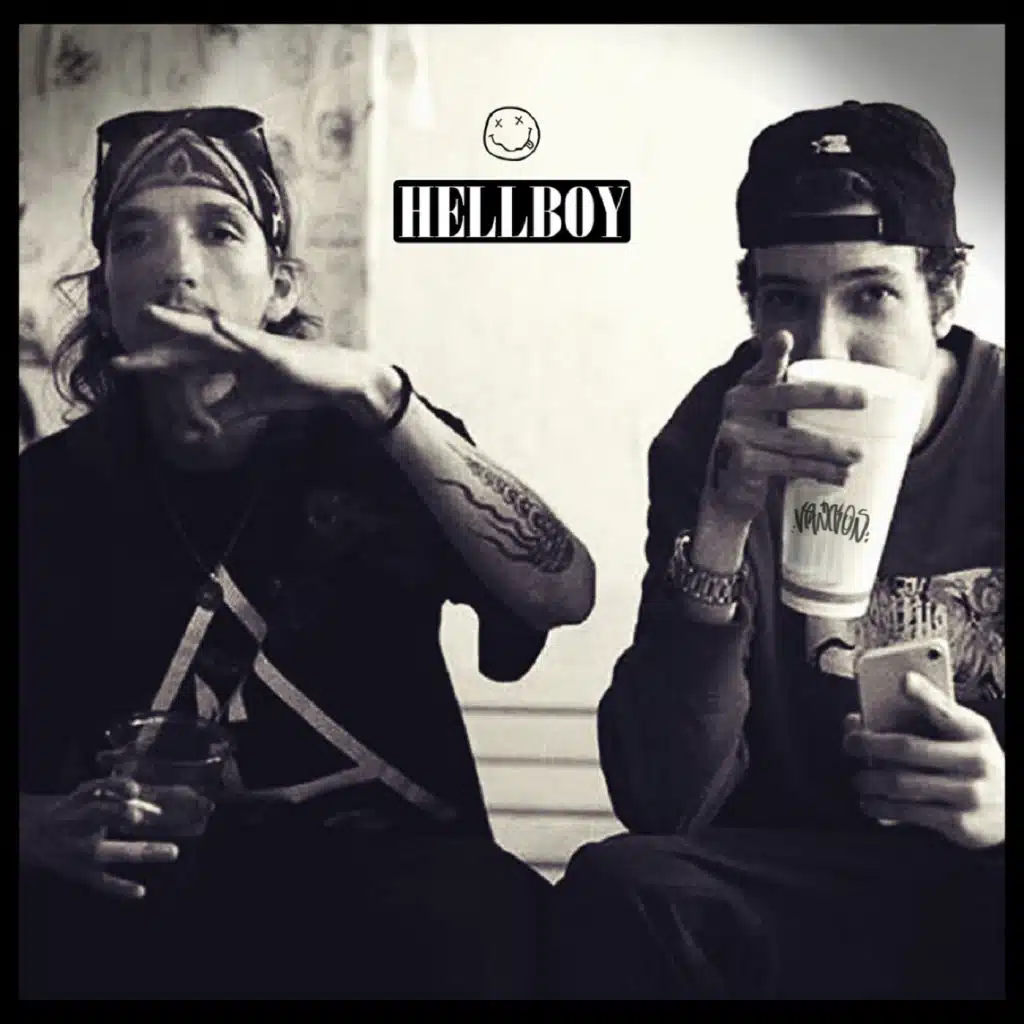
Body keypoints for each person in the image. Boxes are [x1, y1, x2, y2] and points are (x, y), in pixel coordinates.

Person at [18, 105, 596, 999]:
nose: (177, 267)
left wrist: (383, 396)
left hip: (401, 902)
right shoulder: (49, 494)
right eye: (135, 237)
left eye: (220, 230)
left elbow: (564, 592)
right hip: (148, 904)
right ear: (104, 297)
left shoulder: (382, 447)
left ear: (280, 286)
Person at [549, 101, 1004, 999]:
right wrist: (721, 525)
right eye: (786, 299)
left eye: (871, 295)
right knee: (622, 886)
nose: (824, 350)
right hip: (799, 876)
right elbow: (664, 803)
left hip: (986, 871)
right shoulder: (716, 434)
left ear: (944, 293)